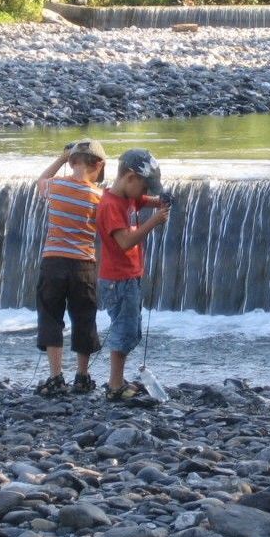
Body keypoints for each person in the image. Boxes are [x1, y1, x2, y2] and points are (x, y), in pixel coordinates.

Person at [97, 148, 171, 402]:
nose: (145, 193)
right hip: (117, 281)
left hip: (129, 277)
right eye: (144, 186)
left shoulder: (128, 198)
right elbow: (125, 242)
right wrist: (154, 221)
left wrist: (159, 200)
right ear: (130, 178)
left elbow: (143, 201)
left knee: (131, 330)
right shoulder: (109, 206)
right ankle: (115, 385)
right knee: (124, 331)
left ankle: (117, 380)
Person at [34, 139, 106, 397]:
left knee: (51, 315)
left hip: (53, 261)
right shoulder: (99, 196)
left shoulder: (55, 186)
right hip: (84, 264)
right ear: (98, 165)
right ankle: (83, 376)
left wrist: (60, 159)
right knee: (84, 317)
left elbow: (40, 180)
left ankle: (55, 377)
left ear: (72, 161)